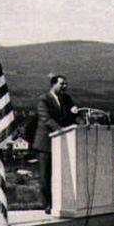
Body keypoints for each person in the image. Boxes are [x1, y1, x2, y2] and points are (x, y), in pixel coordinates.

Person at [31, 74, 79, 213]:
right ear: (53, 85)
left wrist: (77, 116)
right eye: (62, 84)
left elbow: (70, 117)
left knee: (61, 175)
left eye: (65, 84)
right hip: (45, 144)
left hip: (62, 143)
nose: (65, 87)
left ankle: (61, 203)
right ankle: (47, 204)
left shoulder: (67, 99)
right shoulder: (43, 100)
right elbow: (47, 120)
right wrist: (62, 131)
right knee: (45, 176)